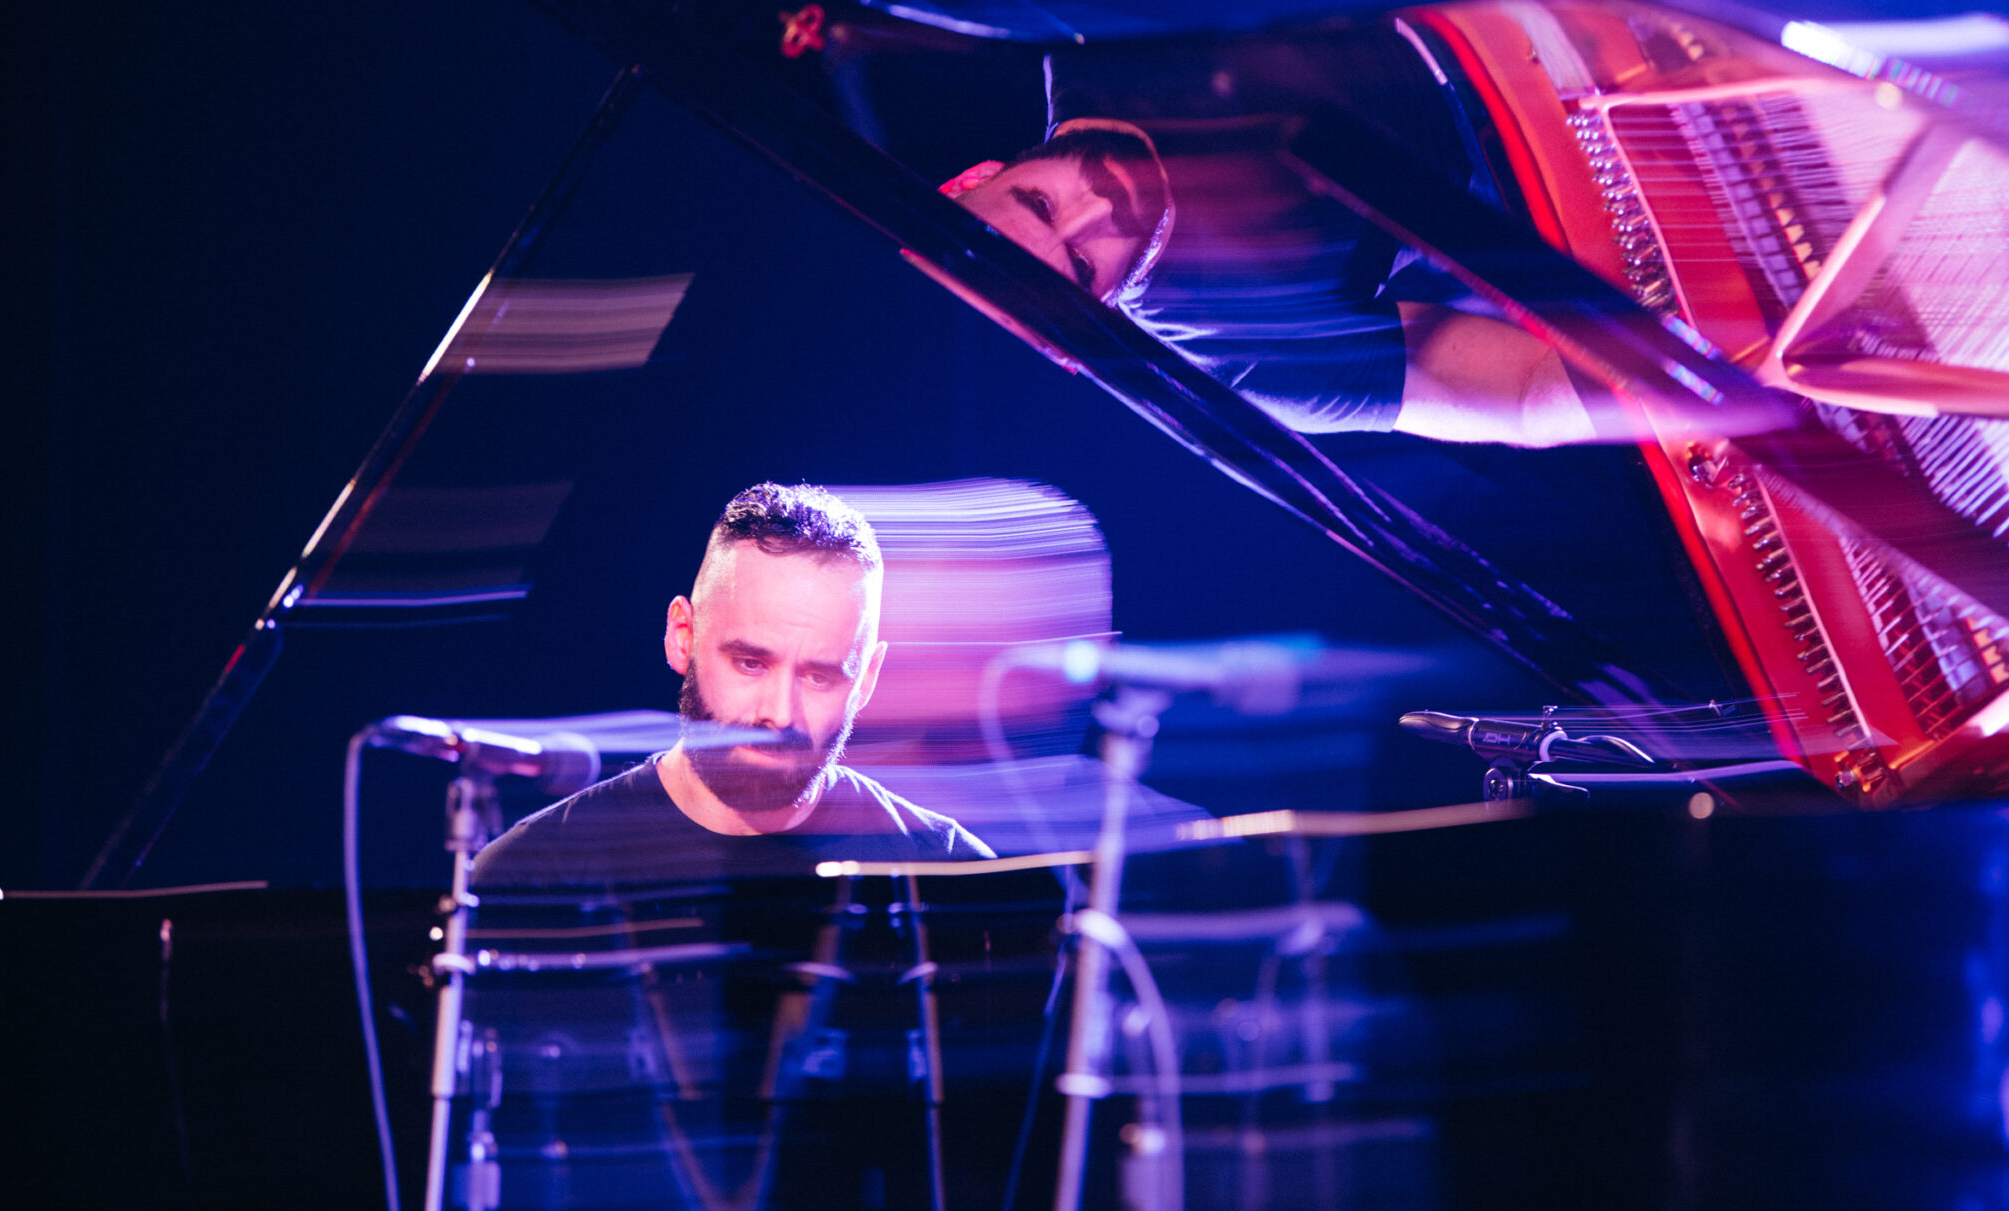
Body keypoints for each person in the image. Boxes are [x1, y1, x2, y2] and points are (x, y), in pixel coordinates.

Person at [941, 118, 1647, 448]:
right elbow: (1524, 396)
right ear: (1092, 315)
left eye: (1039, 203)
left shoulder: (1084, 25)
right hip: (1605, 186)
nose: (1100, 210)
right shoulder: (1242, 354)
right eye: (1085, 265)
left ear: (973, 177)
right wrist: (1693, 381)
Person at [473, 483, 990, 888]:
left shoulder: (949, 876)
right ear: (683, 638)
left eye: (818, 675)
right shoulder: (529, 878)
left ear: (866, 681)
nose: (780, 714)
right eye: (750, 663)